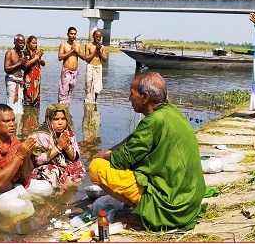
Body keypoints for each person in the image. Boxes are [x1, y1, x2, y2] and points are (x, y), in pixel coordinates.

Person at [89, 71, 207, 232]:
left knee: (97, 168)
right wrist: (110, 150)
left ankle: (147, 214)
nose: (129, 98)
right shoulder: (170, 111)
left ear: (145, 97)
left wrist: (103, 155)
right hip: (190, 200)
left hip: (171, 206)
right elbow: (134, 139)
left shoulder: (152, 123)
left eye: (132, 94)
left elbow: (121, 159)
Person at [0, 104, 52, 217]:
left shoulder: (13, 140)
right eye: (7, 121)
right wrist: (19, 155)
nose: (12, 124)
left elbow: (26, 174)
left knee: (46, 187)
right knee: (20, 207)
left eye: (13, 120)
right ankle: (10, 228)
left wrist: (27, 154)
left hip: (11, 187)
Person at [29, 104, 86, 190]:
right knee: (51, 171)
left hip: (61, 165)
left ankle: (65, 186)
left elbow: (75, 157)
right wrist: (58, 147)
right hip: (43, 167)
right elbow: (37, 160)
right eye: (56, 119)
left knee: (79, 165)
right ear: (49, 120)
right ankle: (56, 192)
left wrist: (67, 147)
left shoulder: (68, 132)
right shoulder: (40, 134)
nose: (60, 123)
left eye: (63, 119)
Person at [57, 26, 85, 106]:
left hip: (75, 72)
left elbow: (84, 58)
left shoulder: (78, 45)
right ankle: (61, 106)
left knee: (70, 91)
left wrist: (77, 52)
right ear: (68, 34)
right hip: (66, 71)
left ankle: (67, 108)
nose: (73, 35)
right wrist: (71, 51)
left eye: (75, 34)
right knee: (63, 90)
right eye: (71, 34)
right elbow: (60, 57)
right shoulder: (63, 44)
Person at [4, 34, 28, 115]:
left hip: (20, 80)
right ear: (15, 42)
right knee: (11, 101)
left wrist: (24, 63)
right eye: (20, 43)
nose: (22, 45)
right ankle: (9, 117)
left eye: (23, 43)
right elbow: (6, 69)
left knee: (20, 103)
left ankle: (18, 122)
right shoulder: (10, 53)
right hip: (12, 80)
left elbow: (24, 69)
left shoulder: (22, 53)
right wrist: (19, 63)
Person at [83, 29, 108, 104]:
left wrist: (100, 51)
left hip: (98, 67)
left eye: (100, 37)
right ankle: (87, 101)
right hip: (90, 66)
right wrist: (95, 50)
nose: (98, 38)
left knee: (97, 86)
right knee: (89, 84)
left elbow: (105, 60)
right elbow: (87, 59)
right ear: (93, 36)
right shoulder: (88, 45)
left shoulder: (102, 47)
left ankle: (94, 100)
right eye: (97, 37)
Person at [23, 35, 46, 108]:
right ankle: (27, 115)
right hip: (29, 77)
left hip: (36, 78)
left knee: (36, 97)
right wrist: (37, 57)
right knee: (28, 96)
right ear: (28, 43)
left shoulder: (37, 52)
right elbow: (27, 63)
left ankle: (35, 115)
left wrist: (40, 57)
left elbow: (43, 64)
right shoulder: (26, 52)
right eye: (33, 43)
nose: (35, 45)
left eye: (36, 43)